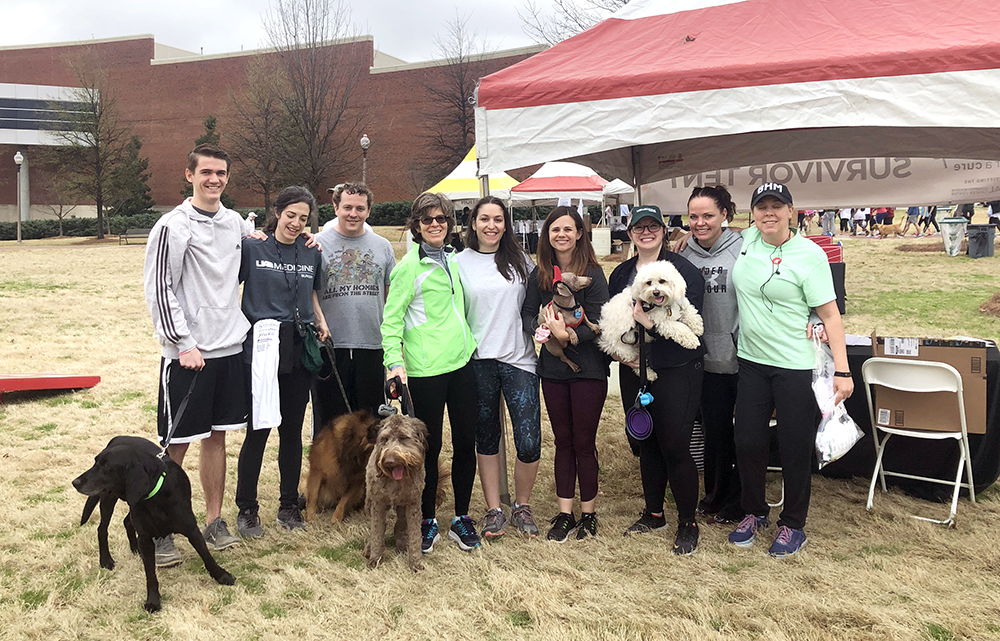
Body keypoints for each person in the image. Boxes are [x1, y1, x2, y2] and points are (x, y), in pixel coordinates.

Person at [728, 182, 853, 558]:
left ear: (791, 211)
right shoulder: (748, 239)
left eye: (776, 206)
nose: (769, 213)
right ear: (752, 214)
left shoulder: (809, 254)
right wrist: (684, 235)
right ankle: (754, 511)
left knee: (795, 446)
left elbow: (831, 315)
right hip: (751, 362)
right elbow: (714, 230)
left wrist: (843, 373)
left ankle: (793, 524)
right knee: (747, 441)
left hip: (796, 366)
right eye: (762, 206)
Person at [143, 144, 251, 566]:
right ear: (189, 175)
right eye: (206, 172)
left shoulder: (235, 223)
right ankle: (158, 527)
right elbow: (159, 288)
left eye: (221, 172)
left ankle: (213, 520)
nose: (215, 179)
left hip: (229, 349)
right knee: (176, 444)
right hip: (190, 354)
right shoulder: (173, 225)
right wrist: (182, 343)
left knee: (217, 437)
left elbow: (259, 251)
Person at [381, 192, 481, 553]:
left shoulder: (455, 261)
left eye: (441, 219)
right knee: (429, 447)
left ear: (450, 223)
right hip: (425, 371)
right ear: (417, 226)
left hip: (462, 363)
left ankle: (462, 518)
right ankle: (425, 520)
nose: (435, 225)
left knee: (465, 443)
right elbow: (391, 321)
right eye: (427, 220)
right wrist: (394, 362)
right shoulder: (408, 268)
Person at [607, 205, 705, 554]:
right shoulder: (620, 275)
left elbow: (692, 323)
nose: (645, 232)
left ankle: (688, 522)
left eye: (652, 226)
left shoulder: (684, 273)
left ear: (664, 230)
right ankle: (653, 512)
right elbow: (614, 325)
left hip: (678, 369)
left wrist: (651, 326)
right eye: (638, 227)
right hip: (636, 368)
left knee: (675, 444)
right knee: (645, 440)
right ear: (630, 233)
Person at [234, 186, 328, 537]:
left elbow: (312, 295)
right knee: (258, 430)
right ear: (277, 212)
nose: (296, 222)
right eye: (291, 215)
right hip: (260, 348)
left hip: (299, 346)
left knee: (291, 431)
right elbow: (228, 286)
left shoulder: (311, 251)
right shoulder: (253, 246)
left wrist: (321, 322)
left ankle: (289, 505)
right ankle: (247, 509)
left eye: (303, 218)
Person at [521, 206, 609, 542]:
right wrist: (541, 328)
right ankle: (564, 513)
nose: (562, 235)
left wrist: (569, 335)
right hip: (553, 370)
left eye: (568, 229)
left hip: (588, 369)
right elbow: (528, 313)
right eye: (555, 229)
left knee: (584, 443)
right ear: (547, 235)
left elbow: (600, 321)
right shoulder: (541, 273)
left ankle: (588, 514)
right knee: (563, 442)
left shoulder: (593, 273)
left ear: (579, 234)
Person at [457, 196, 542, 538]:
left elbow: (542, 299)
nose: (491, 225)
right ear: (473, 223)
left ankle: (522, 505)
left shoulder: (522, 262)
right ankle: (494, 509)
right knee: (487, 437)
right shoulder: (458, 263)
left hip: (519, 360)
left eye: (498, 219)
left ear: (506, 225)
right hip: (478, 362)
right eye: (484, 219)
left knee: (529, 440)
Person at [679, 186, 744, 526]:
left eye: (708, 215)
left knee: (739, 433)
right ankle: (714, 496)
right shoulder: (683, 253)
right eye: (693, 216)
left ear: (724, 215)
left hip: (740, 357)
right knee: (714, 431)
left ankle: (738, 501)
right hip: (703, 359)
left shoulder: (743, 248)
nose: (700, 223)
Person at [312, 183, 395, 429]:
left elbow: (390, 295)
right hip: (329, 346)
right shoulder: (316, 244)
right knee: (330, 425)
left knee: (371, 423)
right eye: (347, 207)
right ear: (336, 208)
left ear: (368, 211)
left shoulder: (383, 247)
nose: (353, 214)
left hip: (371, 344)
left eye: (360, 208)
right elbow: (308, 290)